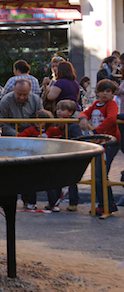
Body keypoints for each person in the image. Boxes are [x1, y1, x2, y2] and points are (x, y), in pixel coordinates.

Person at [79, 78, 120, 216]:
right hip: (99, 143)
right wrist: (83, 118)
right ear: (97, 92)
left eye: (108, 91)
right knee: (97, 175)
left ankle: (108, 205)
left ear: (112, 93)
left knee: (101, 174)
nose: (105, 94)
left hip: (109, 143)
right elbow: (85, 112)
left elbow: (111, 119)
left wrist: (96, 132)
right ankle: (103, 204)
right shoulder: (96, 104)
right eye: (102, 91)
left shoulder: (112, 104)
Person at [17, 109, 62, 211]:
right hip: (34, 159)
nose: (38, 122)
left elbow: (59, 131)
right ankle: (31, 202)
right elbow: (21, 136)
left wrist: (61, 122)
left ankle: (53, 204)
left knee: (49, 183)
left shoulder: (50, 130)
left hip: (48, 159)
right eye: (37, 119)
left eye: (41, 120)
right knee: (33, 182)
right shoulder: (31, 130)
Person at [47, 100, 84, 211]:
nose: (59, 112)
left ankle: (73, 202)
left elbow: (77, 139)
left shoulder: (74, 125)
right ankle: (54, 203)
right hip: (61, 154)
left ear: (70, 112)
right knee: (57, 179)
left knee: (71, 181)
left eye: (62, 110)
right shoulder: (59, 123)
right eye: (58, 109)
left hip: (71, 155)